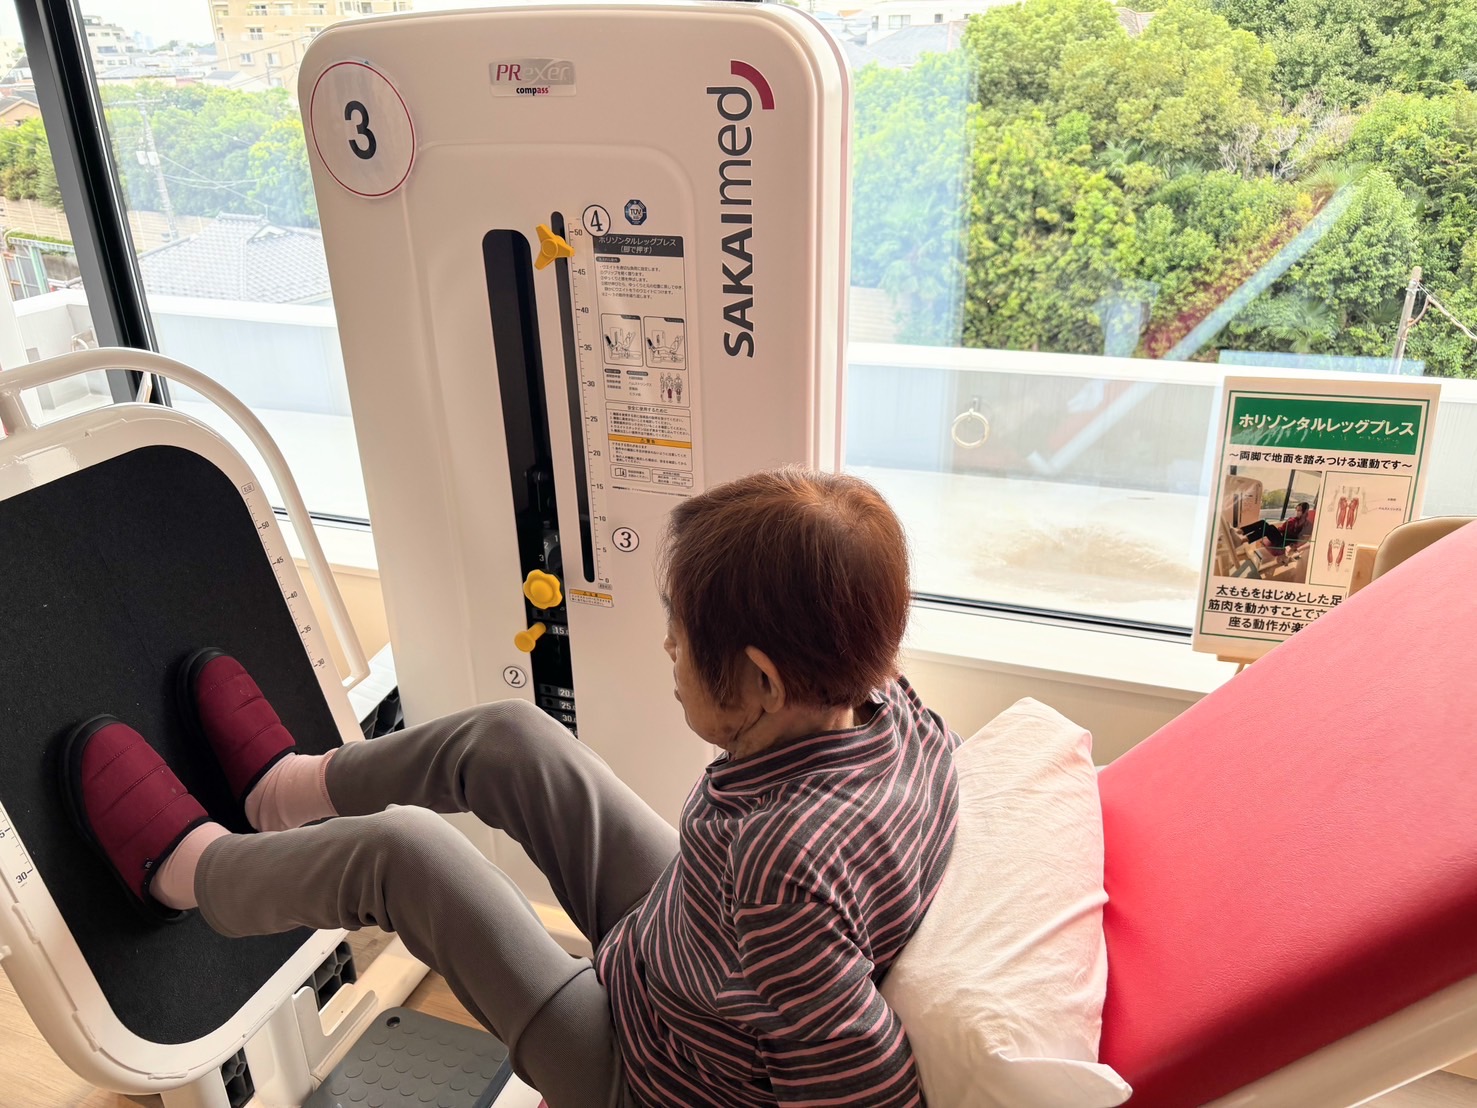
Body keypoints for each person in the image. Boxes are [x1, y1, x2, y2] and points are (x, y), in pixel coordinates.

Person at [61, 468, 961, 1108]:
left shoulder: (783, 871)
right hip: (690, 943)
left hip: (640, 1069)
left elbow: (865, 1085)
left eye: (681, 636)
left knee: (404, 855)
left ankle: (186, 874)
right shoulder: (897, 713)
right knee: (512, 737)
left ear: (762, 683)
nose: (668, 650)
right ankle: (284, 793)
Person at [1240, 500, 1315, 553]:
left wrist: (1295, 547)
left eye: (1299, 511)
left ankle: (1243, 536)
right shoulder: (1294, 520)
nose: (1297, 513)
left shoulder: (1306, 525)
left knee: (1267, 528)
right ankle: (1242, 533)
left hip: (1283, 543)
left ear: (1305, 511)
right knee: (1264, 524)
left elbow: (1304, 538)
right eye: (1297, 510)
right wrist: (1277, 529)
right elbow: (1283, 530)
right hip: (1281, 538)